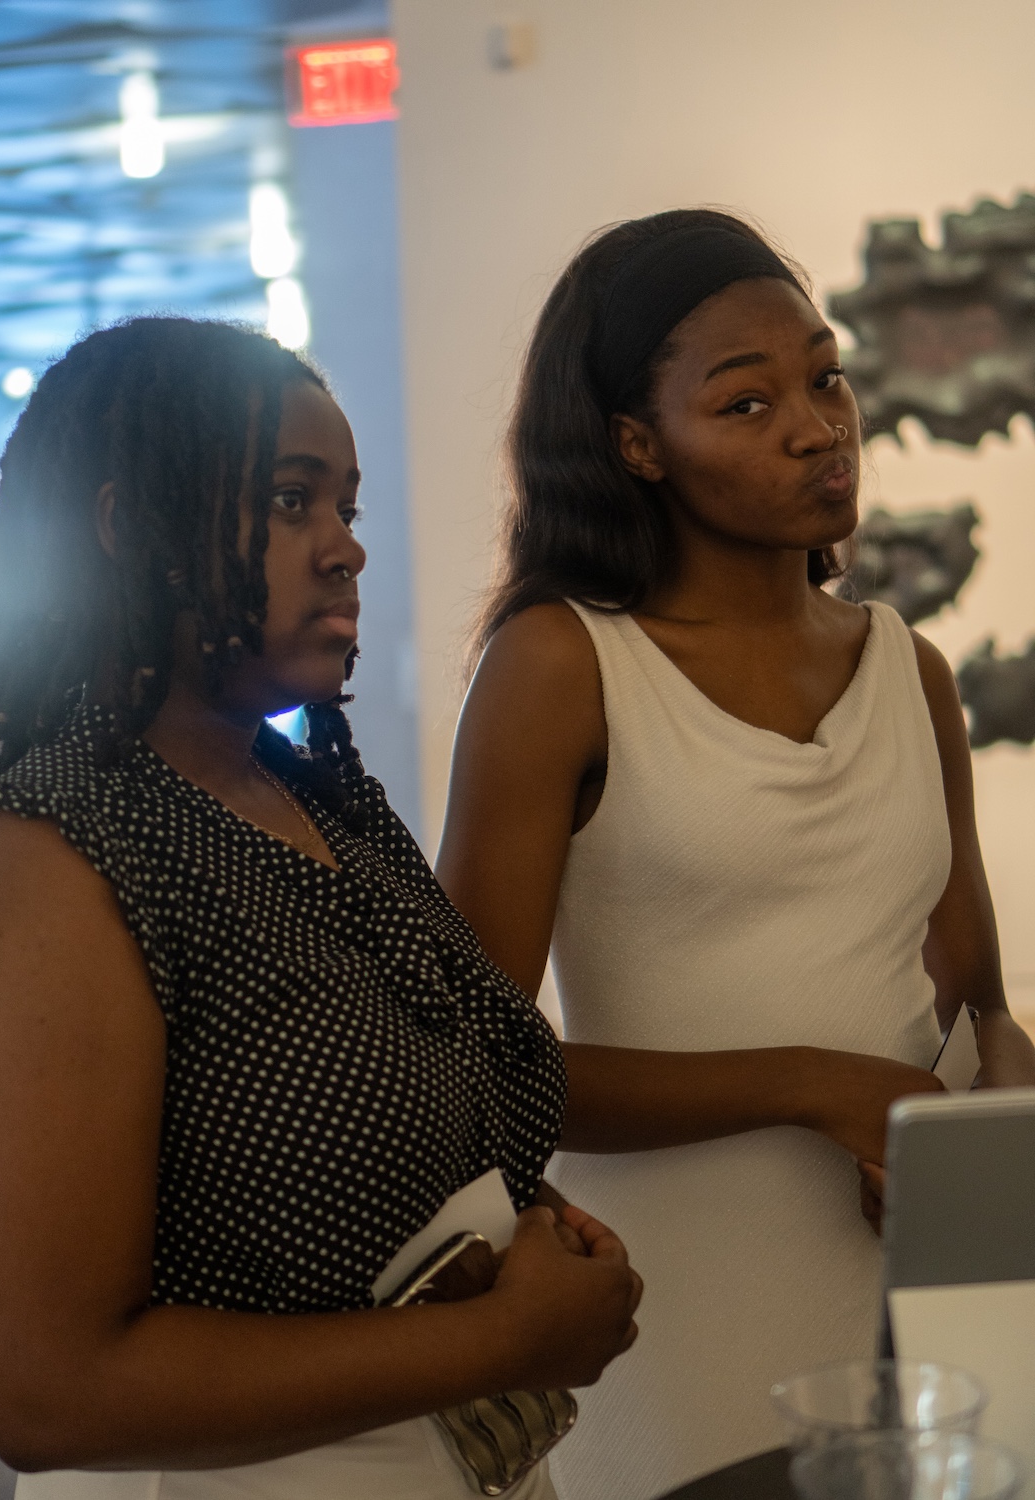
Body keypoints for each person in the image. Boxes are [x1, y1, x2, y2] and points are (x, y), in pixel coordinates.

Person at [0, 317, 642, 1500]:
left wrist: (523, 1224)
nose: (345, 549)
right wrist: (501, 1339)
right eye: (291, 502)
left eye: (347, 507)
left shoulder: (309, 797)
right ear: (129, 528)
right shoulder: (44, 863)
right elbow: (44, 1387)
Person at [435, 211, 1035, 1499]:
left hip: (904, 1289)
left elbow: (979, 1007)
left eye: (826, 379)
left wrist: (981, 1128)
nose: (818, 429)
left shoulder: (912, 671)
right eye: (747, 404)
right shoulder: (564, 666)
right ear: (637, 444)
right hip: (674, 1307)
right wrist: (815, 1086)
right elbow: (474, 1067)